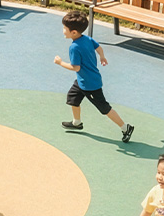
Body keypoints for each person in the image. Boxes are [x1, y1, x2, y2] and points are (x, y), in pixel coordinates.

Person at [53, 11, 134, 142]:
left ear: (74, 32)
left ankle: (125, 128)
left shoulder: (74, 47)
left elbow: (76, 67)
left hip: (90, 85)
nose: (63, 30)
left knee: (104, 108)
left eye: (64, 28)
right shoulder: (87, 39)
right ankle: (77, 123)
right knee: (73, 98)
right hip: (82, 80)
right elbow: (99, 47)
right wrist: (102, 56)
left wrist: (60, 63)